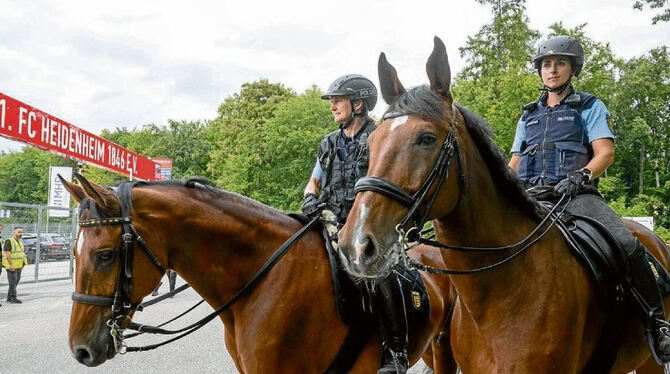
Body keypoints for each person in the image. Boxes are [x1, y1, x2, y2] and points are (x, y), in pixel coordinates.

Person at [508, 35, 670, 364]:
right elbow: (514, 163)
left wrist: (581, 176)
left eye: (560, 63)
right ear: (540, 71)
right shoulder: (527, 116)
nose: (552, 70)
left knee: (626, 243)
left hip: (575, 194)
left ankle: (657, 323)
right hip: (532, 197)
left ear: (572, 69)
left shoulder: (589, 106)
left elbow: (605, 152)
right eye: (546, 64)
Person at [302, 74, 408, 374]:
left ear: (358, 103)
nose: (333, 105)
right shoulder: (329, 142)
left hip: (365, 224)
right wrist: (310, 199)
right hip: (326, 217)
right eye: (332, 101)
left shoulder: (378, 138)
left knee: (377, 273)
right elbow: (313, 182)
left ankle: (396, 351)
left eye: (338, 100)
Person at [2, 227, 28, 304]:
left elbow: (21, 254)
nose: (20, 234)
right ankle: (13, 297)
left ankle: (9, 297)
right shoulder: (9, 241)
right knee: (12, 282)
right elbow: (7, 254)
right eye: (19, 232)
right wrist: (10, 265)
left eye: (21, 232)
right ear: (14, 232)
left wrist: (23, 264)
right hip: (11, 266)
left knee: (15, 281)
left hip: (18, 266)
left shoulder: (19, 242)